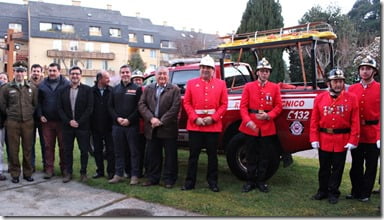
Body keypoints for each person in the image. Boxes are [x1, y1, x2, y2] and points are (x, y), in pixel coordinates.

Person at [310, 68, 360, 204]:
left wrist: (353, 140)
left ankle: (333, 192)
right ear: (329, 83)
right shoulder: (320, 98)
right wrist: (314, 138)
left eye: (340, 81)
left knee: (338, 169)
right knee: (324, 168)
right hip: (324, 138)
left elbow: (355, 121)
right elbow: (314, 121)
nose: (338, 84)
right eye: (335, 81)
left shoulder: (351, 99)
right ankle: (322, 191)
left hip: (341, 140)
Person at [181, 55, 228, 192]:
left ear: (213, 70)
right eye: (203, 67)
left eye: (208, 68)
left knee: (212, 156)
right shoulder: (191, 83)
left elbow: (224, 104)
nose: (205, 70)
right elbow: (187, 103)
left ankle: (212, 182)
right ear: (199, 69)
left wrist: (213, 118)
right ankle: (190, 182)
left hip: (212, 126)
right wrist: (195, 118)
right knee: (193, 156)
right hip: (195, 125)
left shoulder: (221, 84)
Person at [239, 57, 282, 193]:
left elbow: (279, 106)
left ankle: (261, 181)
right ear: (257, 72)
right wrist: (248, 121)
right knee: (250, 155)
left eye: (267, 72)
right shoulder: (248, 87)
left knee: (264, 156)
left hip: (267, 126)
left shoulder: (274, 88)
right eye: (262, 71)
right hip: (251, 126)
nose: (264, 74)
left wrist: (269, 115)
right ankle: (250, 181)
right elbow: (243, 107)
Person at [139, 66, 181, 188]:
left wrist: (161, 121)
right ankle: (153, 178)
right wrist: (151, 118)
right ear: (155, 76)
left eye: (164, 74)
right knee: (153, 155)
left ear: (168, 76)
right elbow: (141, 104)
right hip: (152, 128)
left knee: (170, 156)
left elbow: (175, 108)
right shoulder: (148, 89)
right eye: (159, 74)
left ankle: (169, 179)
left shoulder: (174, 90)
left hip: (168, 128)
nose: (162, 76)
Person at [346, 56, 380, 202]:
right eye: (362, 69)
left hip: (373, 133)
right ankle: (355, 191)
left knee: (371, 165)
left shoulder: (380, 88)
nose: (365, 72)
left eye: (368, 69)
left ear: (374, 72)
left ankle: (365, 193)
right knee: (356, 165)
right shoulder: (352, 89)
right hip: (357, 134)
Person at [0, 66, 38, 183]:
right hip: (12, 122)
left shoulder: (31, 87)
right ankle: (15, 174)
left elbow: (35, 104)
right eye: (17, 71)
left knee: (27, 148)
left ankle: (27, 173)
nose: (20, 74)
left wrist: (29, 114)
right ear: (14, 72)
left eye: (22, 72)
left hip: (28, 122)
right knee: (13, 149)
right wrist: (10, 114)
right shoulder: (6, 88)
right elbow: (2, 104)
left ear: (25, 73)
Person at [57, 66, 93, 183]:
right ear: (69, 75)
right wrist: (69, 121)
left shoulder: (88, 90)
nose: (75, 76)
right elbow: (59, 108)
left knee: (84, 150)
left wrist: (79, 121)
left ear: (81, 75)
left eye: (77, 74)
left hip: (83, 127)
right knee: (68, 150)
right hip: (67, 126)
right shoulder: (62, 90)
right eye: (72, 74)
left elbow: (90, 108)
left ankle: (83, 173)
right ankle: (68, 173)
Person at [108, 64, 142, 185]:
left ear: (130, 74)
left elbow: (140, 108)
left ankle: (134, 175)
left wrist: (129, 119)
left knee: (134, 152)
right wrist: (117, 118)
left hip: (132, 126)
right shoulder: (115, 89)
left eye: (127, 72)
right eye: (123, 72)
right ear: (120, 74)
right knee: (118, 151)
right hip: (117, 126)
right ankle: (119, 174)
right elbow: (110, 107)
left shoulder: (137, 89)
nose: (125, 74)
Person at [37, 63, 70, 179]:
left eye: (54, 71)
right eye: (50, 70)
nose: (51, 73)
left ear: (59, 71)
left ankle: (65, 169)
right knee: (48, 146)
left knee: (63, 146)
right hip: (47, 122)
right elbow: (38, 102)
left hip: (62, 122)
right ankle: (49, 169)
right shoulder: (42, 85)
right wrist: (40, 115)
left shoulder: (66, 84)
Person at [90, 70, 115, 180]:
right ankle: (100, 171)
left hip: (109, 127)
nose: (109, 80)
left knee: (111, 150)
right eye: (107, 78)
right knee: (97, 150)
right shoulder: (91, 91)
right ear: (100, 80)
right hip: (95, 127)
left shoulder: (112, 91)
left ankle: (111, 172)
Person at [29, 64, 46, 172]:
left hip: (43, 118)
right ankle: (31, 165)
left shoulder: (45, 84)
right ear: (31, 72)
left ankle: (46, 165)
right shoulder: (26, 84)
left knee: (45, 143)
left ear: (41, 72)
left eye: (37, 71)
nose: (36, 73)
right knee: (30, 143)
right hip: (30, 118)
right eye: (34, 71)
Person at [131, 69, 146, 178]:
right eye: (135, 79)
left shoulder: (146, 91)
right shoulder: (129, 92)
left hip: (143, 127)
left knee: (142, 151)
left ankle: (140, 171)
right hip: (132, 126)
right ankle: (132, 170)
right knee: (132, 151)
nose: (138, 81)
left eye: (140, 79)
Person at [0, 73, 8, 181]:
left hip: (7, 124)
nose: (2, 80)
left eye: (4, 78)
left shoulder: (10, 92)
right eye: (0, 78)